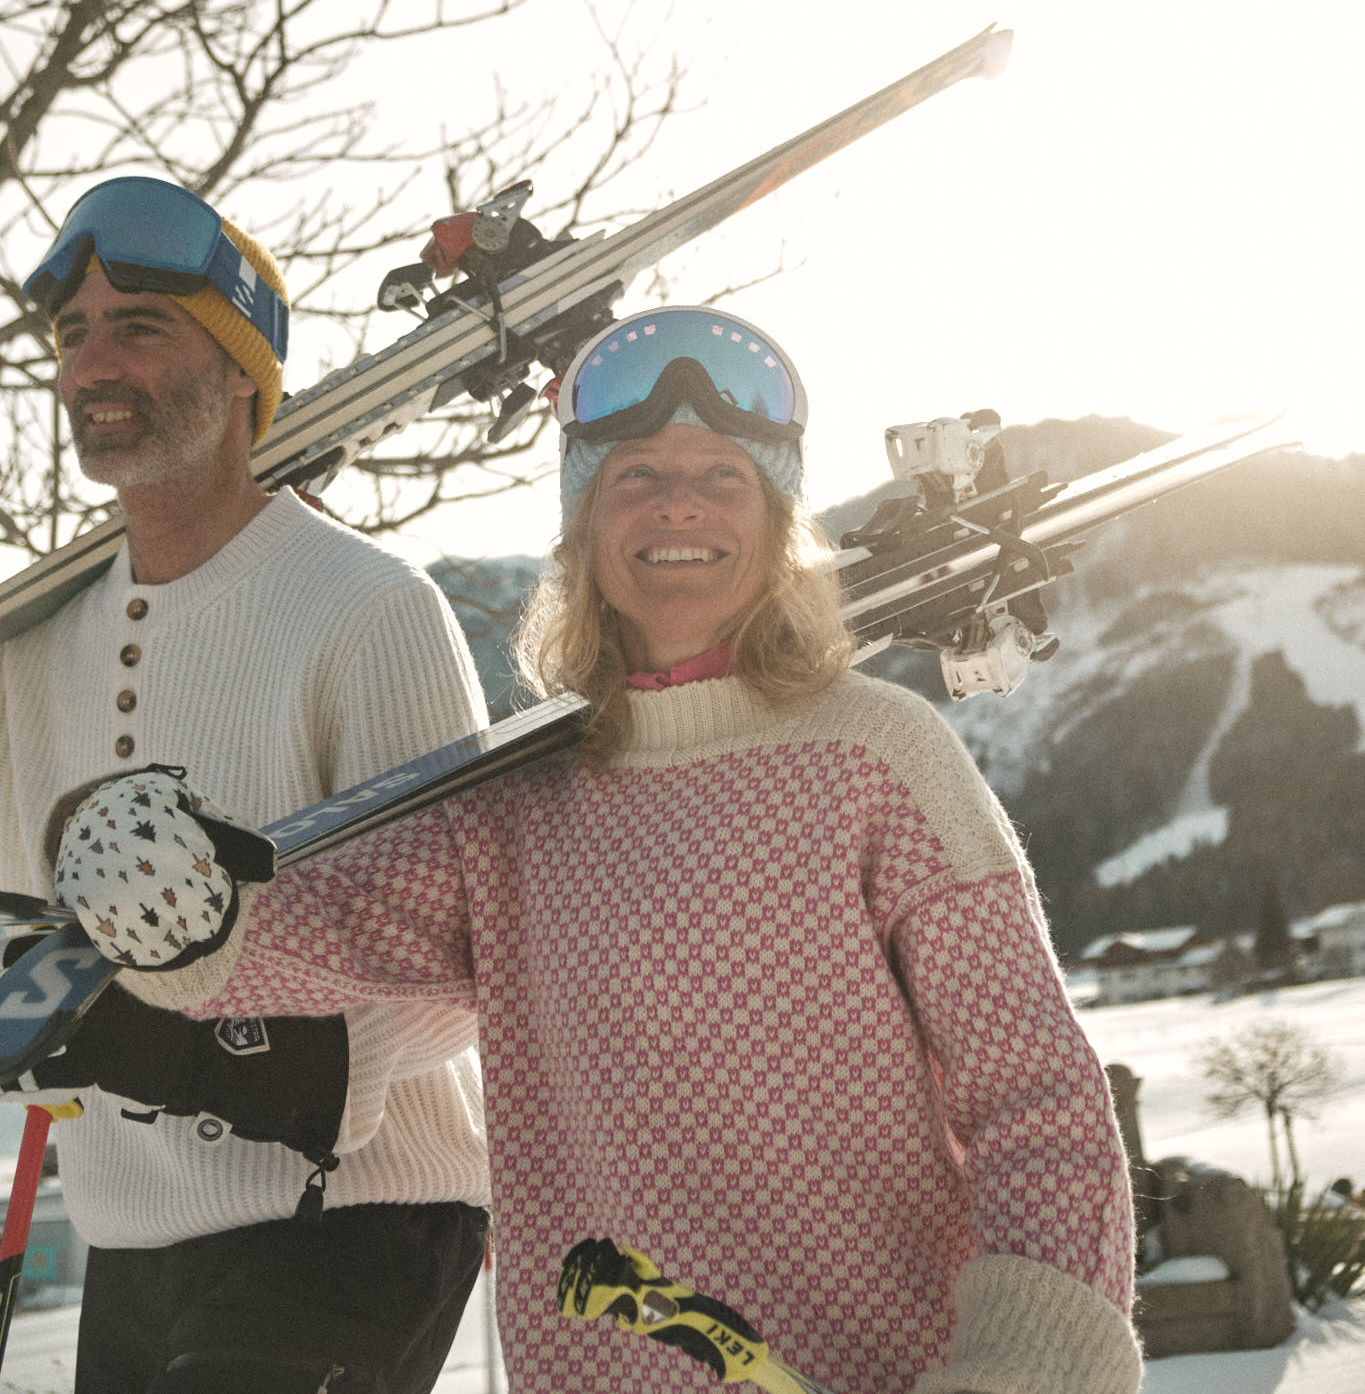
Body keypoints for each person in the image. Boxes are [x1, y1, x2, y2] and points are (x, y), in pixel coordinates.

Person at [54, 304, 1143, 1393]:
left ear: (777, 517)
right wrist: (180, 908)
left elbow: (1036, 1098)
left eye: (723, 474)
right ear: (580, 523)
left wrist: (1020, 1371)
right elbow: (321, 926)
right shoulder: (517, 804)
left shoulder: (876, 754)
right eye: (634, 475)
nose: (678, 501)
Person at [3, 176, 492, 1394]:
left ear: (239, 373)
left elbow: (469, 958)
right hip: (127, 1227)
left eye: (141, 325)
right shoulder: (30, 648)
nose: (93, 363)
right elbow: (25, 956)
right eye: (74, 334)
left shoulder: (368, 608)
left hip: (361, 1218)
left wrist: (217, 1036)